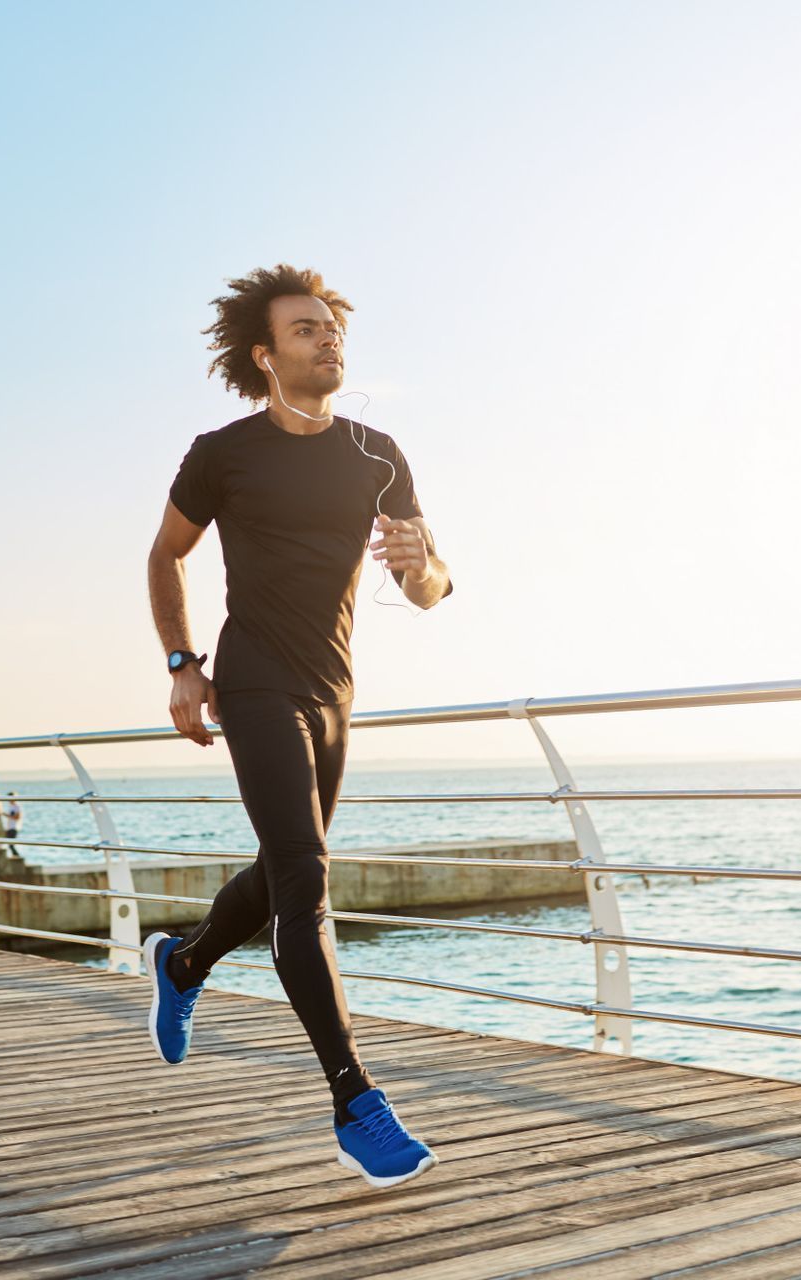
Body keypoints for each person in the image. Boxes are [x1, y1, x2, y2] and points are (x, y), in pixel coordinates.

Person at [144, 264, 454, 1190]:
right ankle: (355, 1099)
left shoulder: (378, 451)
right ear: (265, 354)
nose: (328, 339)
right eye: (306, 329)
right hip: (254, 684)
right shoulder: (222, 453)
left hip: (334, 691)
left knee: (287, 870)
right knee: (306, 883)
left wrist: (421, 561)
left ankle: (185, 961)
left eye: (332, 326)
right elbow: (166, 554)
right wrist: (182, 664)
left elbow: (429, 588)